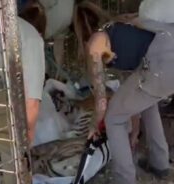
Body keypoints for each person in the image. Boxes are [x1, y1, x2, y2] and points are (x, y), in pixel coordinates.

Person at [73, 1, 174, 184]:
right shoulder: (120, 26)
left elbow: (102, 105)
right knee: (147, 101)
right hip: (167, 50)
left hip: (160, 64)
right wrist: (134, 131)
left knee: (113, 118)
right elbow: (132, 93)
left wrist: (95, 125)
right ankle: (160, 165)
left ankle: (124, 179)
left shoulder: (95, 43)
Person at [0, 11, 45, 143]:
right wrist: (25, 144)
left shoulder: (0, 20)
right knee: (8, 140)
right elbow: (31, 105)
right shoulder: (33, 40)